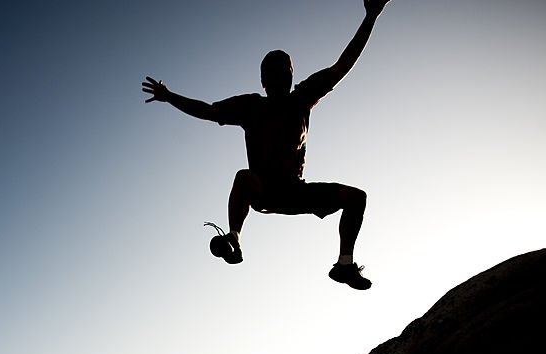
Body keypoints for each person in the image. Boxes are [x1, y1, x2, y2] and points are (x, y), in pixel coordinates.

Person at [142, 0, 392, 290]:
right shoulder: (250, 107)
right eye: (271, 73)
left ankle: (345, 266)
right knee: (244, 177)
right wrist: (170, 96)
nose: (278, 77)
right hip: (264, 191)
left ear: (291, 75)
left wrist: (371, 16)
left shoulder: (302, 98)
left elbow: (342, 65)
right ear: (263, 80)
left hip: (295, 190)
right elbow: (208, 110)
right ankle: (233, 239)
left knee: (356, 198)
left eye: (284, 70)